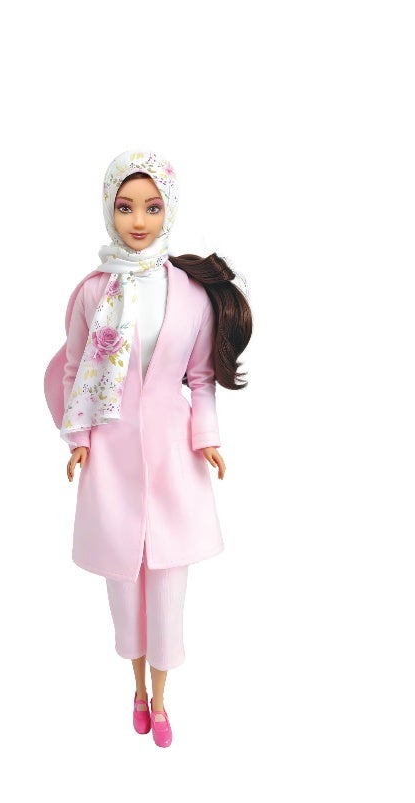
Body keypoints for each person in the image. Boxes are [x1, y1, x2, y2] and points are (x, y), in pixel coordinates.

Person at [44, 150, 252, 748]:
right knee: (122, 580)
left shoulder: (190, 295)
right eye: (126, 207)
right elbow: (76, 368)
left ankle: (161, 698)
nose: (139, 220)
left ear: (169, 210)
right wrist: (78, 439)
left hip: (171, 450)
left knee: (167, 583)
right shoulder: (93, 291)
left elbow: (201, 378)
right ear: (109, 210)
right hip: (110, 451)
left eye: (152, 208)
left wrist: (207, 438)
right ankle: (135, 687)